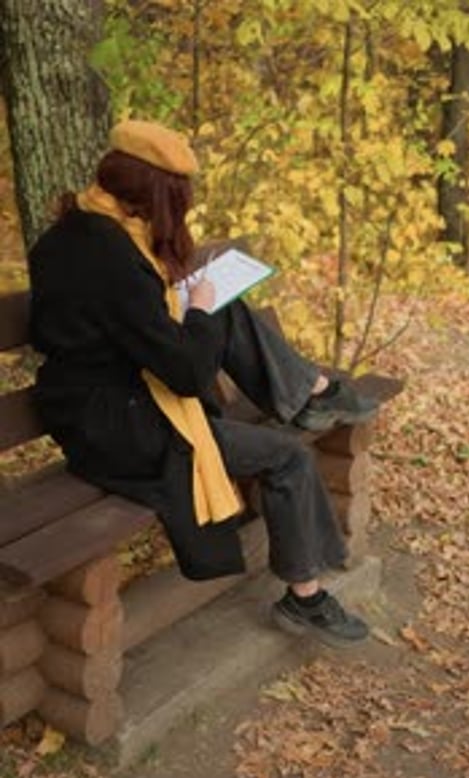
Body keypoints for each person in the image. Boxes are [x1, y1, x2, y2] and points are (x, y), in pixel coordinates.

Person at [29, 119, 377, 646]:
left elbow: (134, 328)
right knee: (289, 457)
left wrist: (200, 308)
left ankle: (308, 393)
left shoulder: (83, 227)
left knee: (223, 310)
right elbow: (189, 376)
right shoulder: (113, 260)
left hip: (107, 395)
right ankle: (305, 598)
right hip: (119, 427)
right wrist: (200, 311)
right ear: (153, 194)